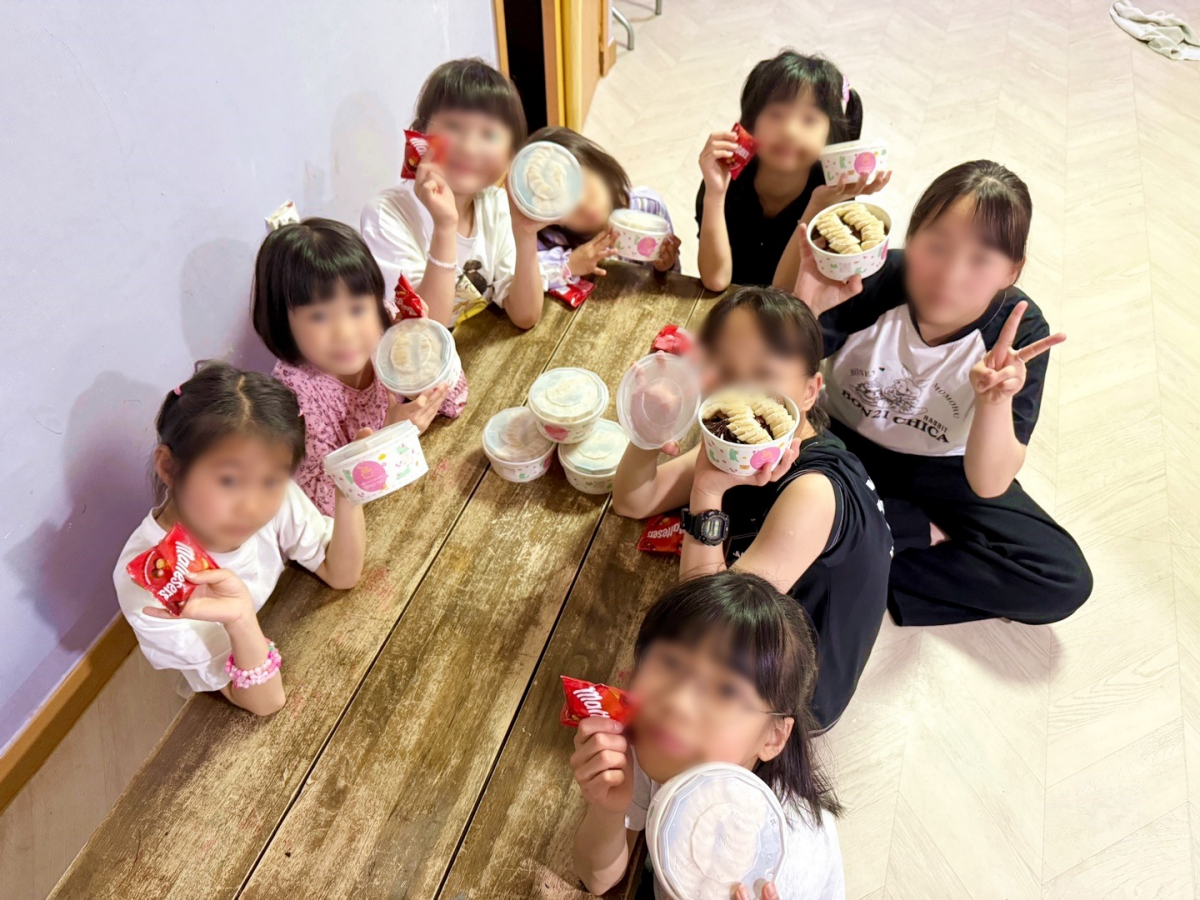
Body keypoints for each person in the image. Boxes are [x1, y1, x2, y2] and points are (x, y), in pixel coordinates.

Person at [793, 159, 1092, 626]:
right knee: (772, 483)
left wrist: (994, 401)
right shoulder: (872, 278)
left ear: (1012, 271)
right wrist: (806, 306)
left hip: (942, 466)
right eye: (936, 247)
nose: (950, 275)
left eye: (980, 259)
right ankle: (886, 535)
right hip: (843, 444)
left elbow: (988, 483)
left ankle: (854, 552)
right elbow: (776, 391)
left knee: (1061, 581)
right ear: (910, 240)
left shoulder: (1020, 331)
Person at [613, 286, 893, 729]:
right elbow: (633, 500)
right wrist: (649, 431)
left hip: (794, 698)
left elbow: (705, 630)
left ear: (809, 391)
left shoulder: (813, 491)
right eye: (726, 370)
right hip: (745, 614)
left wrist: (706, 492)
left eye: (763, 372)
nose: (742, 389)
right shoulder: (742, 438)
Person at [570, 571, 844, 898]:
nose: (677, 702)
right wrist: (607, 810)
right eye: (670, 663)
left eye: (726, 691)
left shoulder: (779, 864)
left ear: (774, 737)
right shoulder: (663, 744)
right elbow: (600, 879)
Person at [113, 362, 367, 715]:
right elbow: (265, 702)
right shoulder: (150, 579)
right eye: (229, 481)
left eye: (272, 480)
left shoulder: (271, 494)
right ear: (170, 467)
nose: (252, 507)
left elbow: (341, 574)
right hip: (226, 687)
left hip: (286, 623)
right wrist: (241, 618)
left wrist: (349, 493)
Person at [253, 217, 457, 516]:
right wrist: (389, 438)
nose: (346, 333)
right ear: (283, 324)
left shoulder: (386, 326)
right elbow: (320, 504)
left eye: (358, 309)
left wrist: (423, 355)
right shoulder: (294, 395)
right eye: (319, 317)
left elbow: (455, 401)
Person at [360, 57, 546, 330]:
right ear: (420, 134)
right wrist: (445, 226)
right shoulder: (386, 214)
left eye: (489, 134)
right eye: (453, 127)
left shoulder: (496, 205)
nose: (469, 147)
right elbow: (424, 328)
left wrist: (526, 234)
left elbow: (525, 315)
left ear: (511, 155)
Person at [696, 50, 890, 291]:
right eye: (776, 114)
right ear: (751, 123)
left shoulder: (832, 191)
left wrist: (817, 205)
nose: (790, 131)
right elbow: (715, 280)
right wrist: (715, 195)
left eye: (809, 120)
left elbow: (785, 294)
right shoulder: (727, 178)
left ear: (830, 135)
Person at [525, 126, 681, 290]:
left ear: (600, 169)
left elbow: (676, 281)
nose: (583, 205)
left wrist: (666, 266)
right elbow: (519, 281)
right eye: (562, 202)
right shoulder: (548, 238)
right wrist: (569, 265)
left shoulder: (647, 207)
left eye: (582, 184)